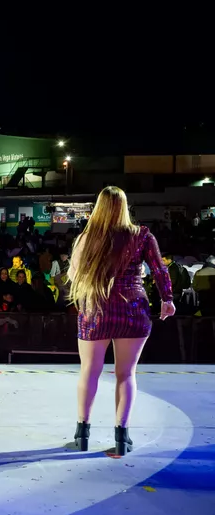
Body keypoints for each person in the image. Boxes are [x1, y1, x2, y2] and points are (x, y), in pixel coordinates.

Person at [68, 187, 174, 455]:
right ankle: (121, 436)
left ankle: (82, 432)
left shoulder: (86, 238)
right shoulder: (142, 236)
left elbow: (74, 274)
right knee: (126, 375)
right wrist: (167, 299)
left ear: (99, 207)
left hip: (97, 310)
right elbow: (159, 269)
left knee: (89, 371)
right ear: (125, 207)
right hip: (133, 310)